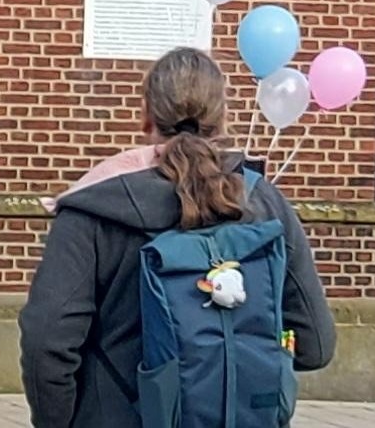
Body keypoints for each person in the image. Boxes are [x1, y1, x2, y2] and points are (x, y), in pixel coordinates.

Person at [19, 48, 335, 428]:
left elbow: (47, 341)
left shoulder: (92, 210)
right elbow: (316, 345)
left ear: (146, 116)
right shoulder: (264, 203)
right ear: (222, 118)